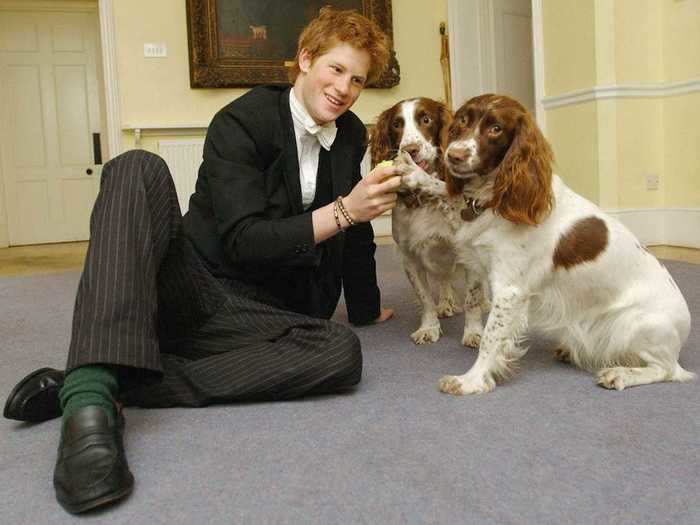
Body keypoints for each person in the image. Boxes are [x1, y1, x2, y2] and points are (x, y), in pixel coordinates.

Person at [3, 7, 402, 514]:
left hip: (268, 316)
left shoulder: (349, 135)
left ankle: (125, 378)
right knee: (136, 167)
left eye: (358, 80)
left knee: (341, 353)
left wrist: (364, 307)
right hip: (197, 289)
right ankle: (88, 403)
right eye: (336, 69)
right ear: (305, 60)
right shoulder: (243, 120)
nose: (345, 88)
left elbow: (356, 232)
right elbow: (245, 240)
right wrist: (344, 210)